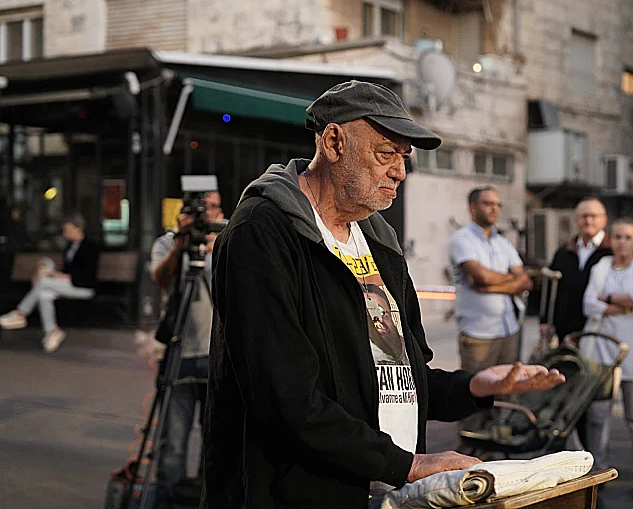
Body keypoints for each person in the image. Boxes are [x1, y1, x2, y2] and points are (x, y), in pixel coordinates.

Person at [201, 80, 565, 509]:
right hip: (295, 494)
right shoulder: (261, 233)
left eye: (404, 157)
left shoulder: (379, 241)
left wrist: (477, 385)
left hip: (385, 491)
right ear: (334, 142)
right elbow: (286, 399)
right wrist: (405, 465)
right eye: (385, 153)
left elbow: (402, 376)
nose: (400, 171)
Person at [150, 191, 223, 508]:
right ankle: (168, 500)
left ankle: (213, 498)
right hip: (181, 353)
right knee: (174, 442)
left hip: (217, 355)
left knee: (218, 441)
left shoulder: (226, 242)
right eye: (199, 209)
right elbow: (162, 279)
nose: (205, 214)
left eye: (211, 208)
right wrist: (181, 243)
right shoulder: (167, 243)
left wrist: (214, 249)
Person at [448, 186, 533, 432]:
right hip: (478, 333)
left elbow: (525, 280)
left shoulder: (502, 242)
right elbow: (479, 278)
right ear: (472, 207)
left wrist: (495, 283)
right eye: (487, 203)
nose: (494, 208)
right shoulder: (461, 240)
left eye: (497, 204)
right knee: (475, 396)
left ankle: (497, 452)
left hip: (508, 329)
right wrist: (510, 281)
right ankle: (469, 452)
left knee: (506, 395)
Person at [582, 218, 633, 502]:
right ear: (610, 240)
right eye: (618, 237)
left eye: (628, 237)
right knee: (599, 417)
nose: (623, 242)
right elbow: (588, 303)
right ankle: (599, 470)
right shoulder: (600, 268)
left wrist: (607, 299)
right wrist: (621, 305)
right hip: (602, 354)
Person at [540, 196, 611, 448]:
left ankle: (595, 455)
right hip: (568, 335)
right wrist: (545, 322)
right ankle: (573, 452)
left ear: (604, 220)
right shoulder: (564, 252)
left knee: (595, 401)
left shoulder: (612, 253)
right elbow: (551, 290)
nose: (588, 220)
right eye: (583, 216)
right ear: (576, 220)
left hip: (598, 334)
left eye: (593, 216)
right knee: (571, 395)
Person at [0, 212, 99, 353]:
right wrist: (53, 273)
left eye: (68, 230)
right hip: (70, 284)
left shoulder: (91, 247)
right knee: (44, 295)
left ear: (79, 228)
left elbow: (84, 276)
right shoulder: (70, 247)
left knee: (44, 283)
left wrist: (54, 275)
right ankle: (52, 331)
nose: (66, 234)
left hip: (84, 287)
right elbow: (67, 271)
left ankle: (21, 314)